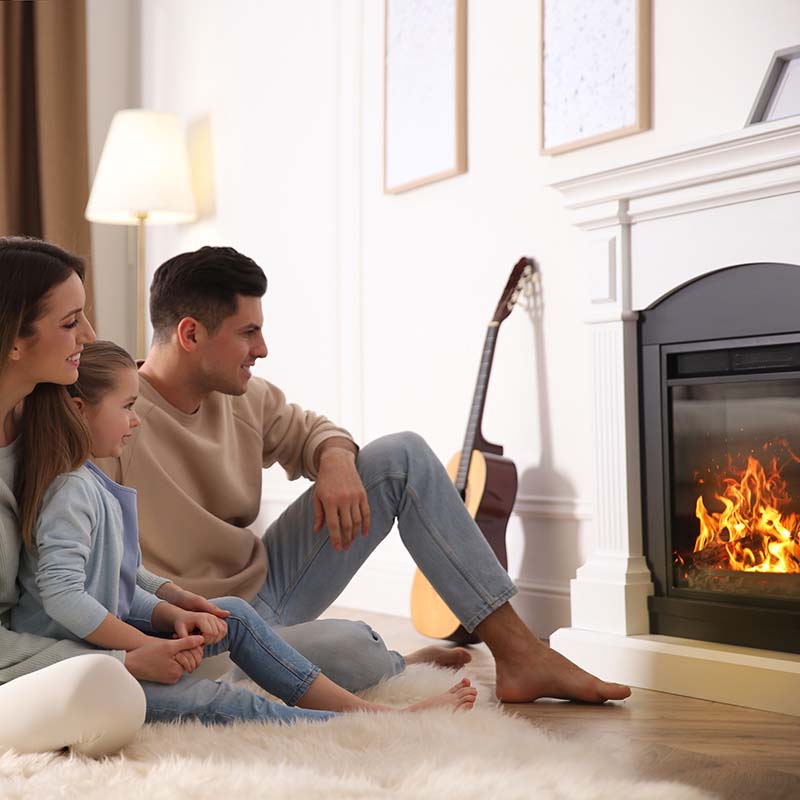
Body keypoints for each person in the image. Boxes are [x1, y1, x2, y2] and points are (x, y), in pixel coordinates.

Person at [109, 245, 631, 704]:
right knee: (354, 648)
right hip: (201, 627)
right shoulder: (114, 415)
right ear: (191, 333)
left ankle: (520, 653)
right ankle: (394, 661)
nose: (262, 349)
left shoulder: (248, 398)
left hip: (265, 586)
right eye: (249, 332)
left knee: (400, 455)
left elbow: (315, 431)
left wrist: (334, 459)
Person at [13, 340, 478, 723]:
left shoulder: (89, 479)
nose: (136, 420)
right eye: (128, 407)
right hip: (80, 667)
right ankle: (356, 721)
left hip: (104, 645)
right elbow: (64, 597)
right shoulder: (69, 490)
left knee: (232, 614)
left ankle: (363, 709)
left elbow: (115, 582)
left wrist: (171, 611)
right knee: (219, 703)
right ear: (78, 410)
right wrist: (145, 646)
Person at [0, 236, 197, 756]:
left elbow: (91, 551)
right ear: (13, 341)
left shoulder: (47, 419)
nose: (89, 335)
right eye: (70, 323)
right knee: (111, 694)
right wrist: (122, 661)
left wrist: (167, 602)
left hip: (61, 644)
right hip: (26, 664)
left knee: (331, 647)